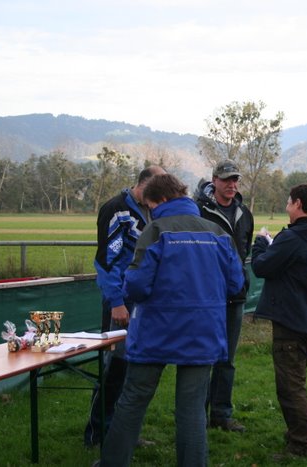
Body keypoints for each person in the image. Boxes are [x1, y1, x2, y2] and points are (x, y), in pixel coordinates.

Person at [96, 173, 244, 467]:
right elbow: (236, 283)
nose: (150, 212)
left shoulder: (155, 231)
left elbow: (137, 286)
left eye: (150, 206)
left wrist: (125, 289)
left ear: (161, 200)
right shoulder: (218, 233)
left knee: (133, 399)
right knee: (192, 409)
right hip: (203, 332)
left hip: (155, 331)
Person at [84, 165, 166, 448]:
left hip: (144, 300)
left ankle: (126, 432)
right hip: (121, 301)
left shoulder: (154, 210)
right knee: (114, 369)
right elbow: (106, 261)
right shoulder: (115, 209)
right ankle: (98, 433)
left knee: (135, 369)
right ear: (144, 184)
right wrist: (116, 302)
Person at [251, 184, 307, 459]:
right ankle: (296, 434)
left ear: (298, 204)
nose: (286, 206)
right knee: (295, 380)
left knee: (290, 386)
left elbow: (262, 266)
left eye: (288, 202)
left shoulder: (293, 238)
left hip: (290, 321)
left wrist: (260, 243)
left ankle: (299, 445)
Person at [194, 159, 254, 432]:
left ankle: (221, 414)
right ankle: (196, 415)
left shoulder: (244, 213)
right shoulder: (199, 211)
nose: (232, 184)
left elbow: (244, 250)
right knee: (203, 356)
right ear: (214, 180)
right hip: (206, 296)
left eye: (235, 179)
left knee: (227, 359)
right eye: (227, 179)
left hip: (235, 295)